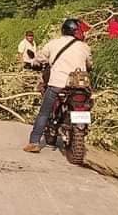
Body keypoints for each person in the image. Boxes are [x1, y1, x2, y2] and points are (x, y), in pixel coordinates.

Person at [24, 19, 92, 153]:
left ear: (63, 30)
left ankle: (34, 142)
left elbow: (40, 59)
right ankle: (82, 130)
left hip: (57, 84)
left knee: (44, 112)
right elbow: (90, 64)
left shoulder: (53, 44)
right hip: (80, 85)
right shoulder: (84, 46)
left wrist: (33, 63)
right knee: (87, 104)